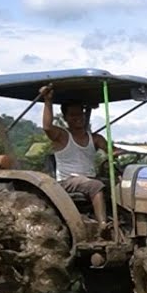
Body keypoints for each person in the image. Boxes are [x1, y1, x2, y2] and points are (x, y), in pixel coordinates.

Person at [39, 84, 110, 231]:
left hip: (89, 178)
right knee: (95, 185)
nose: (78, 118)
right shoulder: (62, 136)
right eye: (73, 115)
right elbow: (47, 127)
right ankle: (102, 226)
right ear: (66, 118)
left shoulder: (96, 138)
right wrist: (47, 101)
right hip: (68, 181)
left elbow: (112, 150)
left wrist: (123, 151)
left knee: (117, 185)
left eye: (80, 114)